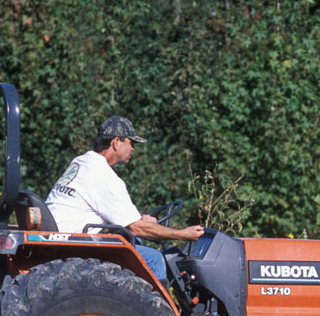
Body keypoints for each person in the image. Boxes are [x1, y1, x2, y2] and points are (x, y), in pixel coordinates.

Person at [45, 116, 205, 286]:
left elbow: (109, 215)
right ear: (116, 142)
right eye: (131, 143)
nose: (133, 149)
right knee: (154, 258)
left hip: (61, 237)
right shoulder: (104, 176)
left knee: (134, 241)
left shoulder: (82, 161)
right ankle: (158, 311)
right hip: (73, 246)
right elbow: (136, 228)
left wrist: (138, 222)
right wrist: (182, 234)